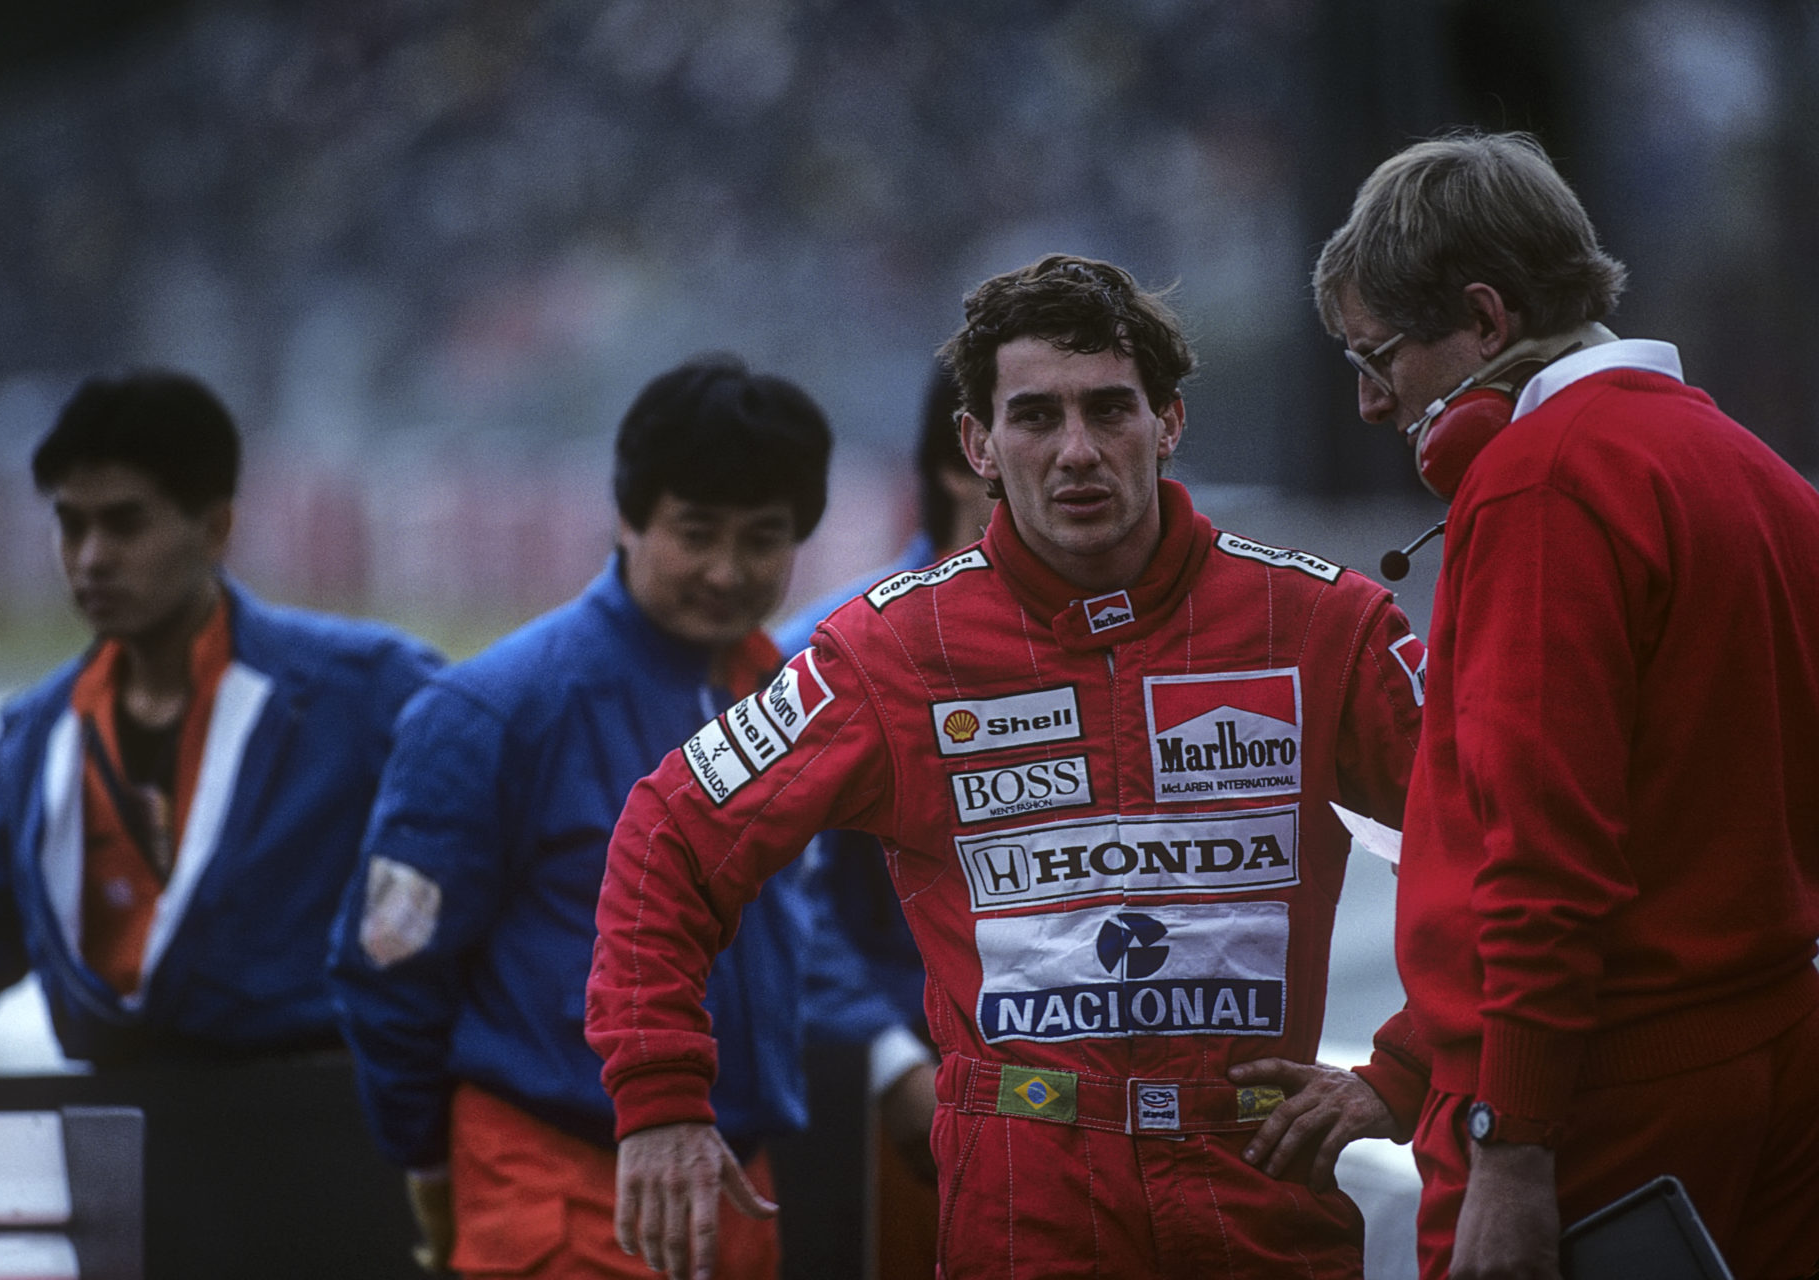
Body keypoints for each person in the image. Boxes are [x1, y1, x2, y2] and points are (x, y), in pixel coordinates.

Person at [585, 254, 1427, 1280]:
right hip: (1026, 1199)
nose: (1076, 450)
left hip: (1261, 1184)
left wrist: (1404, 1067)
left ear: (1167, 424)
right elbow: (669, 832)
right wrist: (662, 1099)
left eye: (1109, 409)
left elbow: (1495, 841)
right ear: (978, 444)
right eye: (1035, 416)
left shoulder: (1322, 624)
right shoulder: (889, 650)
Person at [1251, 130, 1819, 1280]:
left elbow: (1544, 855)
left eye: (1380, 357)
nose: (1369, 403)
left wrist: (1508, 1141)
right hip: (1773, 1062)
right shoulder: (1756, 471)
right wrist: (1410, 1065)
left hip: (1595, 1099)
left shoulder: (1542, 481)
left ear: (1485, 318)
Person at [329, 355, 834, 1279]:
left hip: (738, 1196)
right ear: (627, 517)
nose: (728, 570)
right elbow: (388, 967)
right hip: (554, 1195)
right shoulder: (495, 709)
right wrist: (438, 1174)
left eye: (763, 539)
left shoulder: (781, 700)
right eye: (696, 532)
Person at [0, 369, 441, 1065]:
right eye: (71, 526)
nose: (91, 559)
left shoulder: (368, 694)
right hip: (116, 1146)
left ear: (215, 527)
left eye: (125, 524)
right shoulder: (35, 739)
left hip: (320, 1135)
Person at [774, 364, 996, 1186]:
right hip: (881, 1122)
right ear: (963, 454)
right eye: (1037, 424)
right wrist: (887, 1059)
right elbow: (775, 895)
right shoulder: (830, 653)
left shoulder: (1119, 648)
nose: (1074, 459)